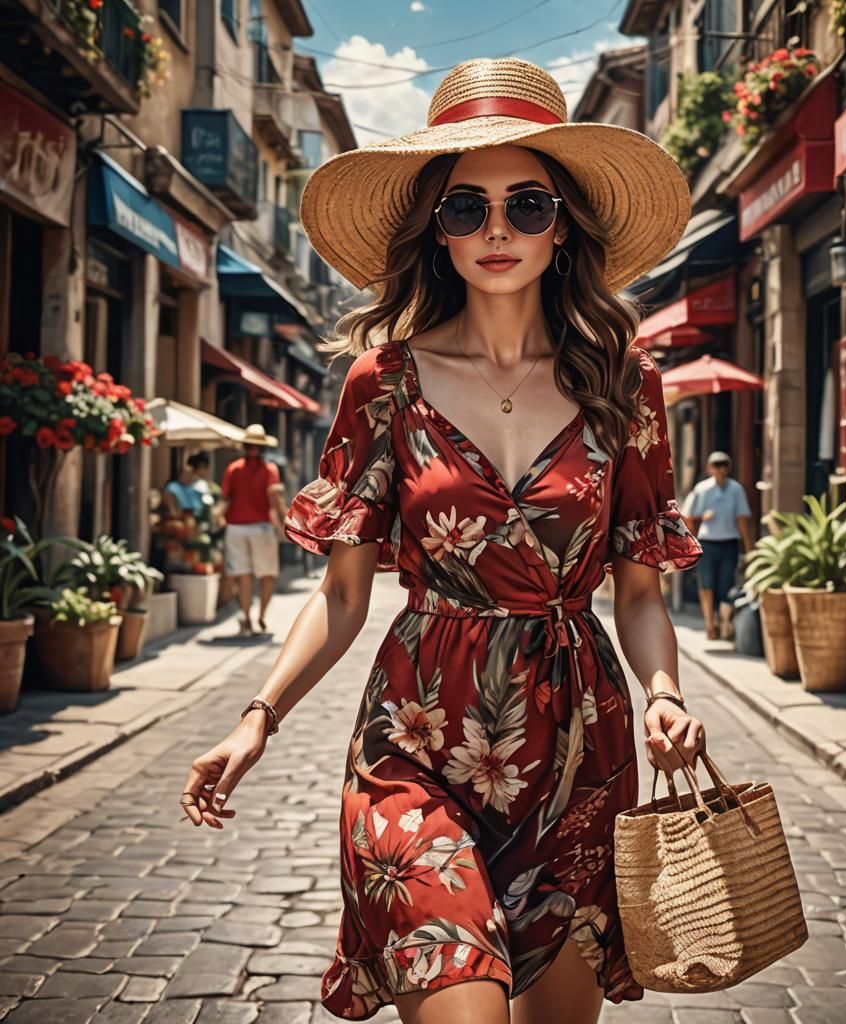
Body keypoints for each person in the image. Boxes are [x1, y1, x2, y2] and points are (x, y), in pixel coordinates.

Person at [179, 58, 705, 1024]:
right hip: (415, 740)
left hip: (577, 748)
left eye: (526, 204)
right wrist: (258, 717)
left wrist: (665, 695)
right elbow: (343, 597)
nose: (496, 231)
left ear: (565, 222)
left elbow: (638, 592)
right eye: (466, 209)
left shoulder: (625, 383)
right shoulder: (383, 382)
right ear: (436, 227)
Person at [681, 451, 754, 640]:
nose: (721, 469)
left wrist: (749, 549)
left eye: (724, 465)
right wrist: (699, 523)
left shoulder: (736, 489)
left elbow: (742, 520)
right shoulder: (701, 489)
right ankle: (709, 624)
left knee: (725, 586)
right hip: (707, 543)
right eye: (717, 465)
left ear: (728, 468)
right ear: (709, 468)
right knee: (706, 585)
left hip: (729, 542)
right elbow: (686, 516)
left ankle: (723, 623)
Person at [221, 425, 286, 636]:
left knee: (244, 576)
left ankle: (246, 617)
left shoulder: (233, 468)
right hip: (261, 527)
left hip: (235, 528)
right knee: (267, 575)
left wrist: (219, 517)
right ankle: (261, 616)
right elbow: (274, 498)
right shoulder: (270, 470)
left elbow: (225, 499)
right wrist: (285, 522)